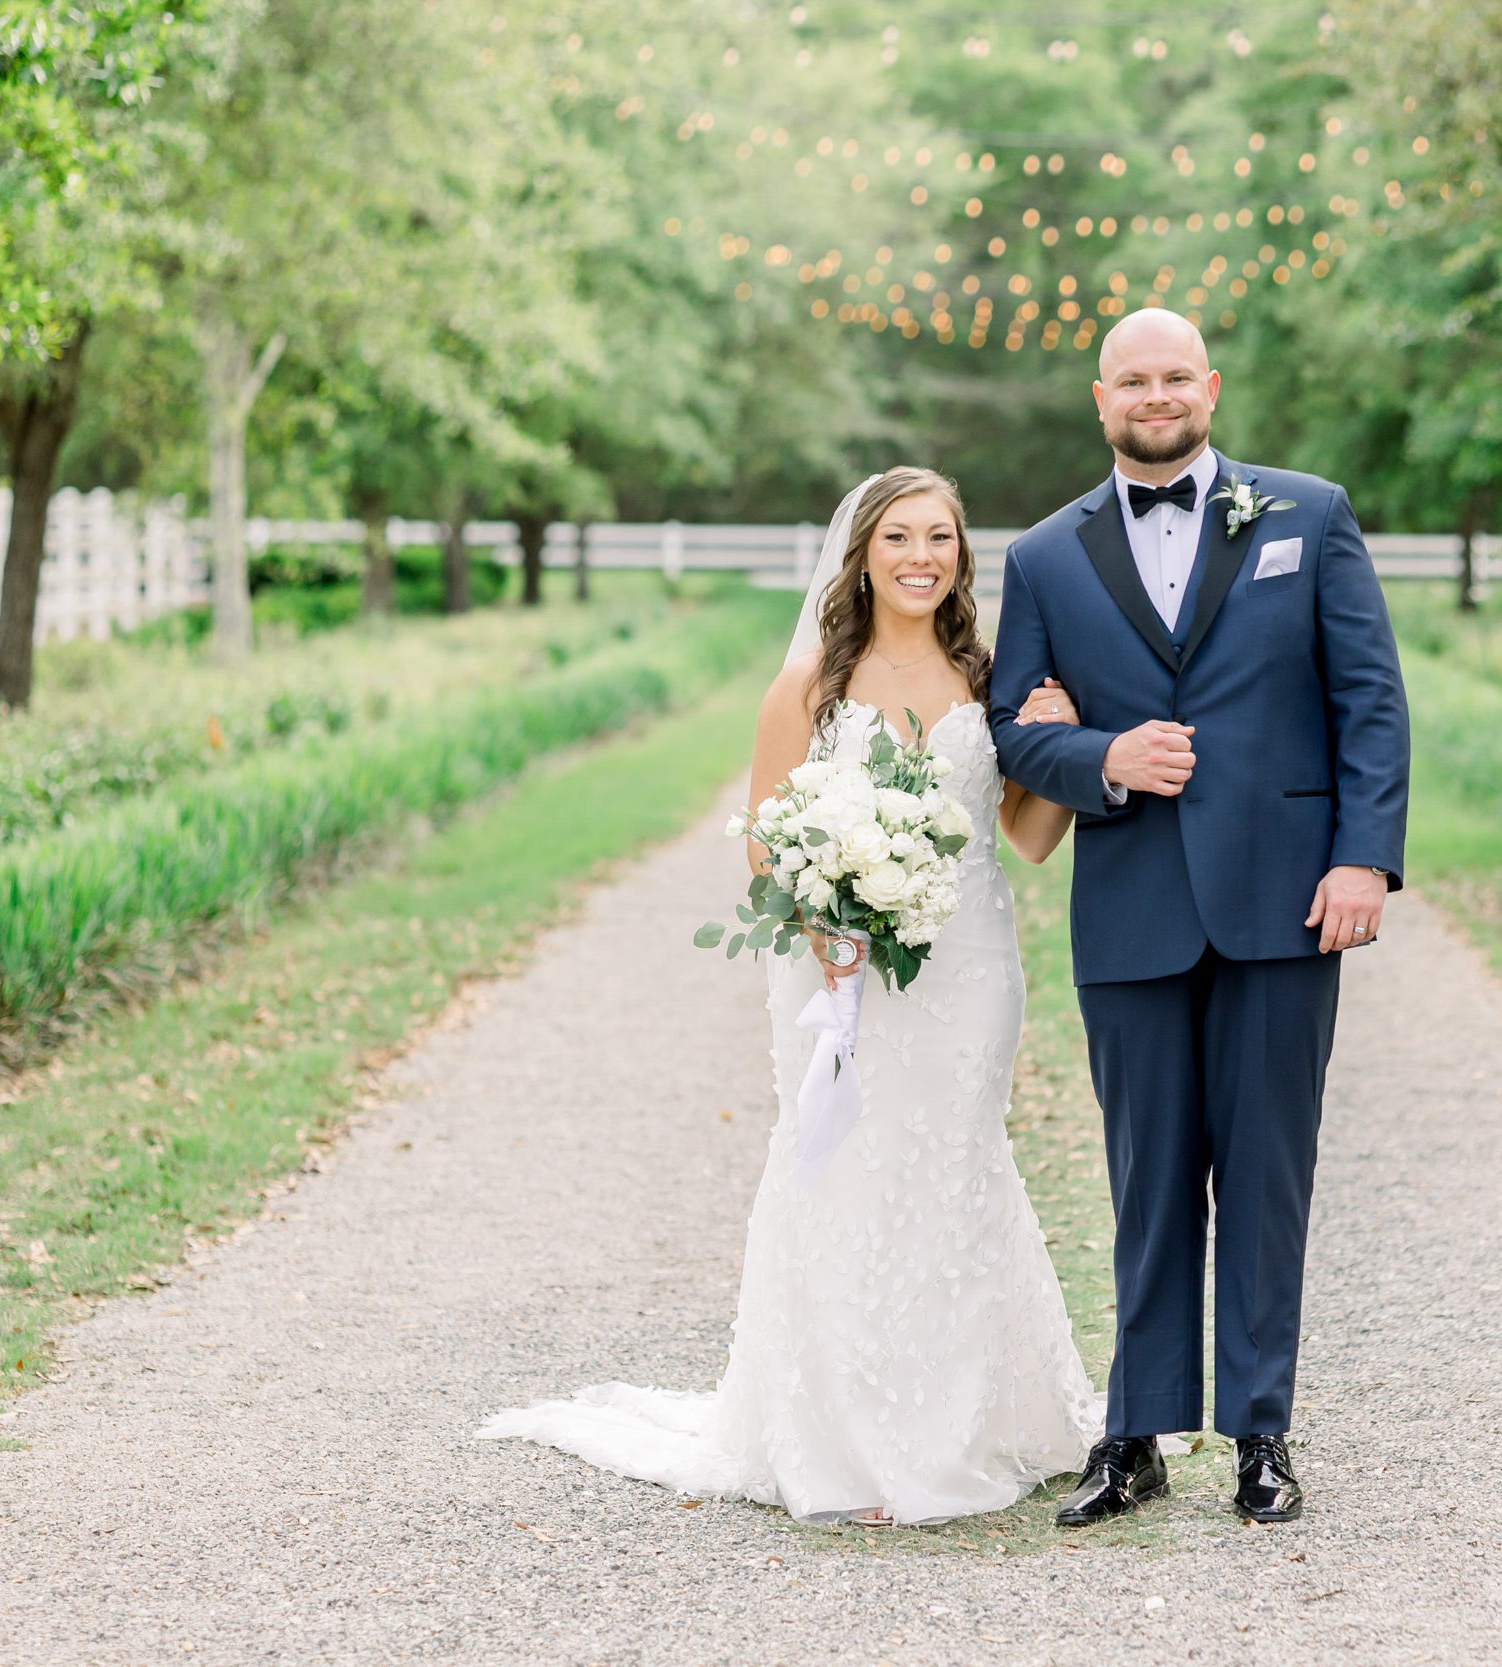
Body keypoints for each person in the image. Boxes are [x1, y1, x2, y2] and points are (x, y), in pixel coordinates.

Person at [478, 466, 1104, 1526]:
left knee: (955, 1161)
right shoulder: (811, 682)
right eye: (898, 536)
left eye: (939, 537)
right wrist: (832, 922)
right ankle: (850, 1441)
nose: (920, 556)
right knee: (844, 1162)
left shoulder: (988, 674)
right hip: (837, 969)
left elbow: (1028, 840)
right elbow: (768, 847)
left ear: (961, 554)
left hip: (968, 962)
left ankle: (968, 1419)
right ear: (861, 550)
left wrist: (1061, 740)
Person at [989, 308, 1412, 1526]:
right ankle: (1133, 1431)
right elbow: (1014, 728)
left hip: (1286, 900)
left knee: (1268, 1174)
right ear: (1100, 396)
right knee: (1146, 1177)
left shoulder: (1309, 514)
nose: (1155, 394)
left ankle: (1261, 1433)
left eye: (1175, 376)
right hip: (1129, 906)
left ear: (1210, 388)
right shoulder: (1045, 556)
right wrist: (1104, 754)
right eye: (1134, 379)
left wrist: (1363, 861)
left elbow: (1368, 700)